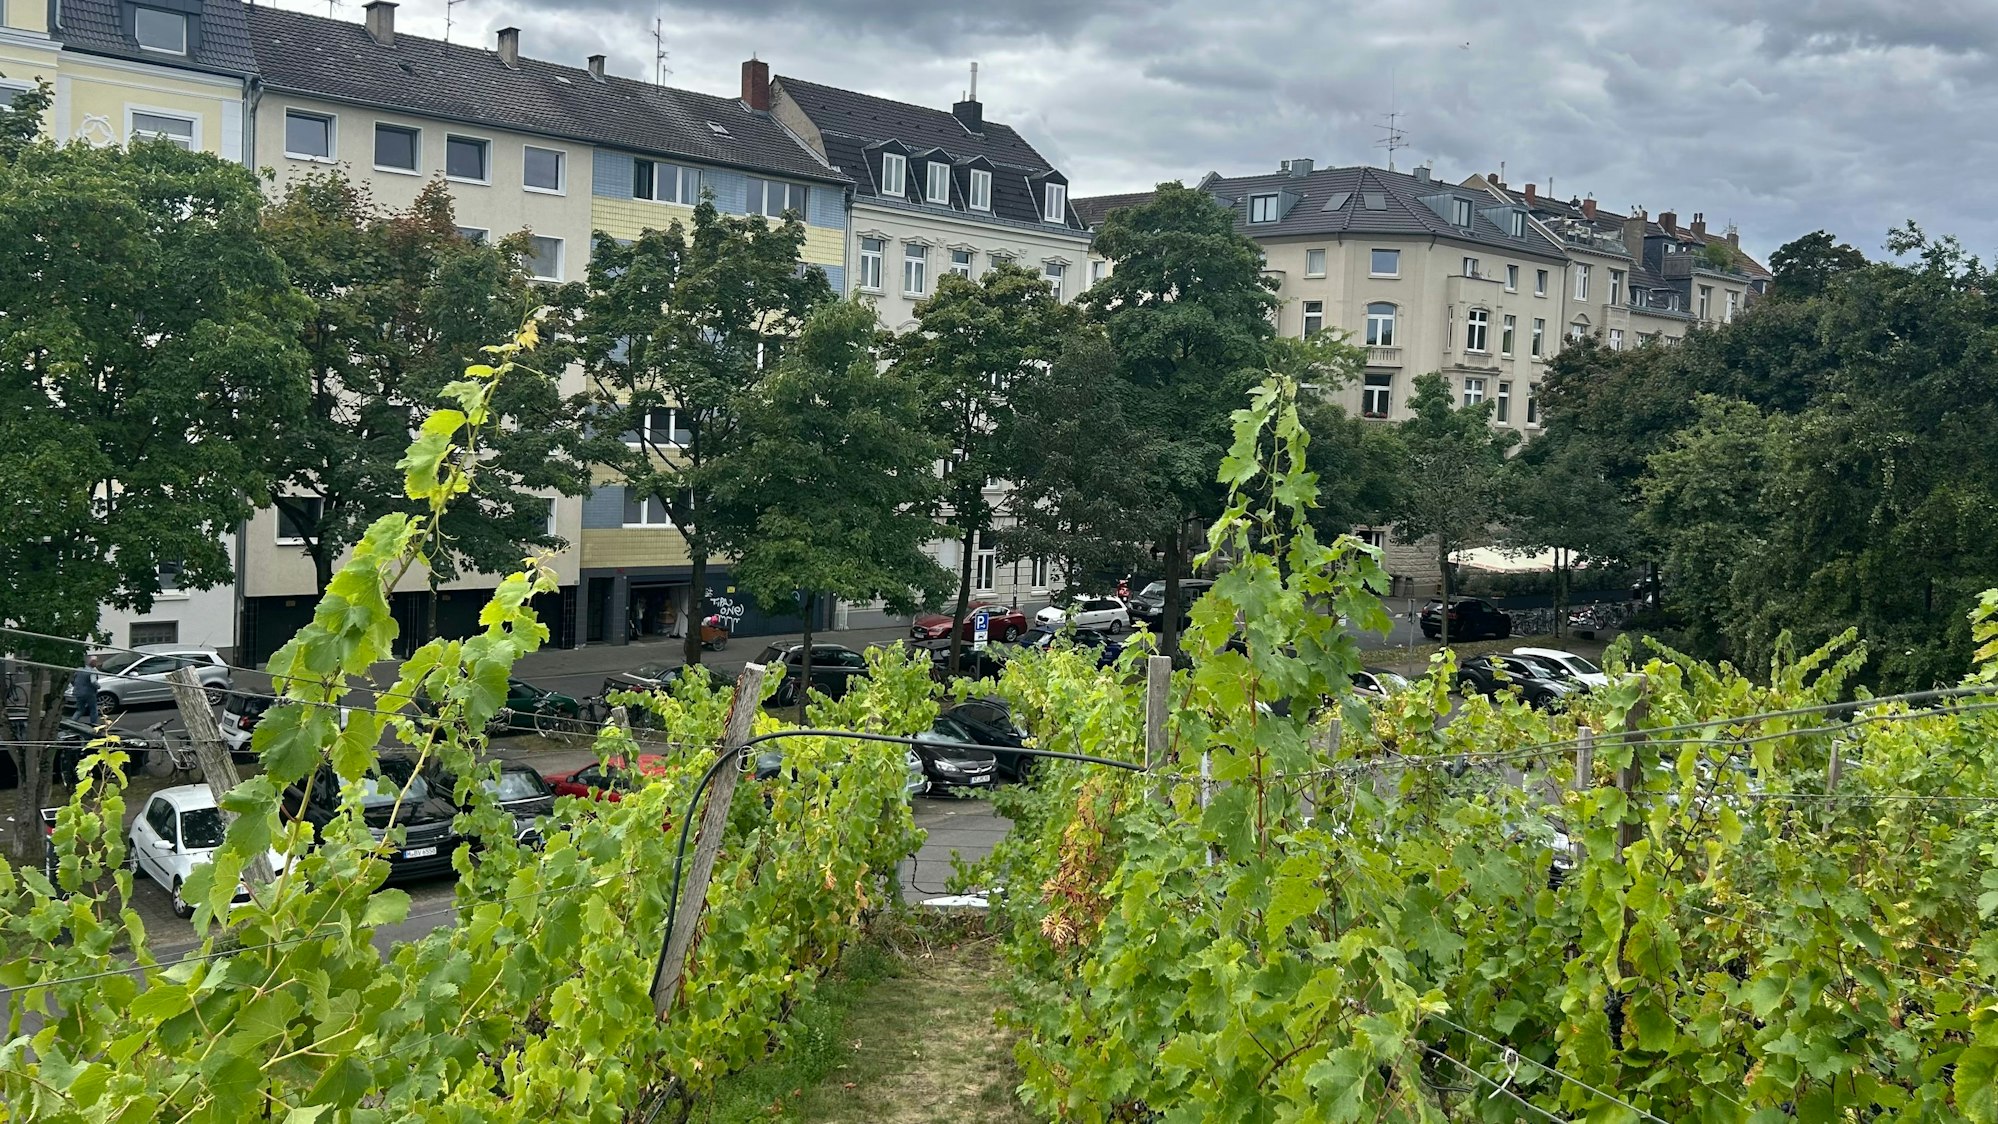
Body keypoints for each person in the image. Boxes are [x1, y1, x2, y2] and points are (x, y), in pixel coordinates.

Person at [71, 655, 100, 727]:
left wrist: (76, 686)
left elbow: (72, 679)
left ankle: (71, 723)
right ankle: (94, 725)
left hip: (78, 692)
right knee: (93, 709)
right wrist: (98, 686)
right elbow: (93, 681)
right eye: (95, 662)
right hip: (89, 693)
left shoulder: (79, 669)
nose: (96, 663)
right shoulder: (92, 671)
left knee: (80, 710)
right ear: (92, 662)